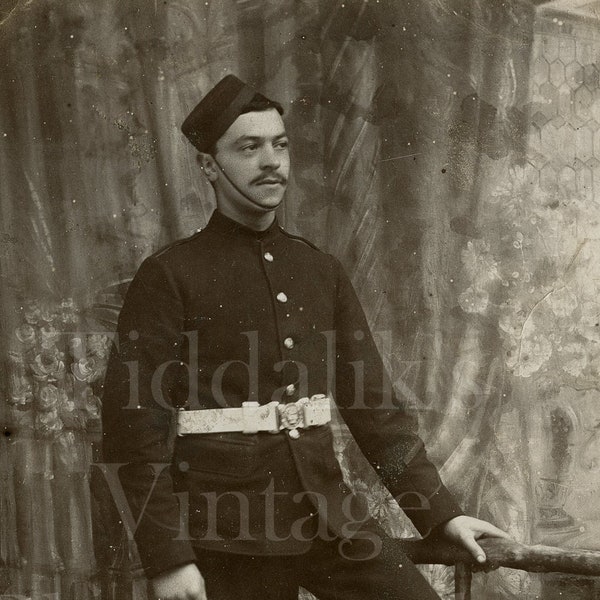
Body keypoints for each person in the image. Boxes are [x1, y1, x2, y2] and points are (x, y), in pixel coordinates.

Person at [101, 74, 508, 600]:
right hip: (228, 536)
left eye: (280, 144)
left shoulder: (319, 270)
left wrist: (442, 515)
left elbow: (376, 412)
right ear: (208, 166)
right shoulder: (170, 275)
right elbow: (134, 432)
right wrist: (168, 559)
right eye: (249, 148)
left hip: (329, 520)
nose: (271, 160)